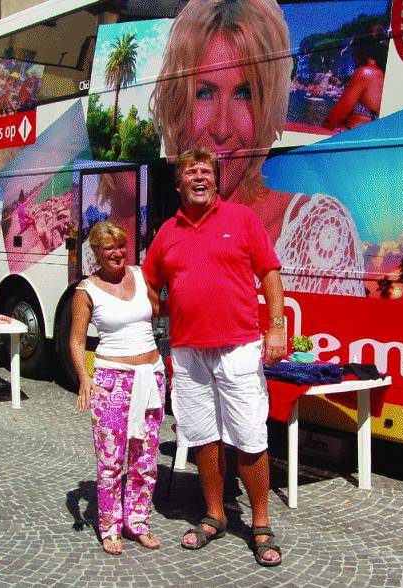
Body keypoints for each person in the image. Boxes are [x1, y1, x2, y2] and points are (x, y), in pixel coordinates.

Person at [150, 0, 365, 296]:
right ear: (176, 105)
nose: (222, 129)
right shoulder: (169, 233)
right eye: (204, 93)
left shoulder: (318, 228)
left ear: (268, 106)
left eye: (244, 93)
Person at [143, 147, 287, 567]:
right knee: (202, 436)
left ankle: (260, 523)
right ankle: (215, 514)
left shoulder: (241, 219)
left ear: (216, 181)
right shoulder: (167, 232)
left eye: (207, 171)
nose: (200, 178)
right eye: (192, 172)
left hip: (238, 347)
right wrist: (161, 308)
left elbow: (270, 272)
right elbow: (150, 283)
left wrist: (276, 326)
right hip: (188, 352)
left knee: (250, 437)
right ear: (180, 183)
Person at [69, 221, 165, 556]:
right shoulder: (86, 290)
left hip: (151, 375)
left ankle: (138, 522)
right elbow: (77, 341)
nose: (118, 253)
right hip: (112, 380)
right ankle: (109, 526)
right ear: (95, 251)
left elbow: (158, 309)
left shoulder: (139, 275)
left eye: (122, 246)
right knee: (111, 460)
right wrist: (85, 377)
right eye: (109, 248)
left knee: (146, 457)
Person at [323, 40, 386, 131]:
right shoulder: (382, 73)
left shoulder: (366, 73)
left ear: (361, 49)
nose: (353, 55)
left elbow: (334, 118)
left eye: (354, 50)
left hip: (351, 134)